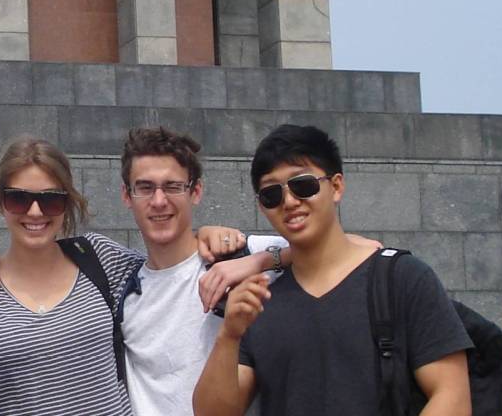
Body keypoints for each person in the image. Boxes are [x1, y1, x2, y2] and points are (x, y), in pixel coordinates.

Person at [0, 128, 313, 416]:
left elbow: (345, 250)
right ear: (127, 196)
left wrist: (258, 259)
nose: (34, 211)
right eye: (18, 198)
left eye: (50, 199)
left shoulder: (102, 262)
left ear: (196, 191)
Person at [193, 125, 473, 416]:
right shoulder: (260, 302)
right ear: (262, 207)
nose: (289, 202)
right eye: (271, 194)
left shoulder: (402, 278)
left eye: (303, 185)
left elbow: (451, 395)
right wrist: (228, 336)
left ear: (336, 186)